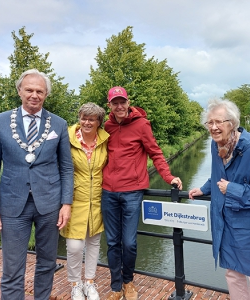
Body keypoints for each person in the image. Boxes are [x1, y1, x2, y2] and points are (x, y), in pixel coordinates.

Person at [0, 69, 74, 300]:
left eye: (40, 91)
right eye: (29, 90)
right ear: (20, 91)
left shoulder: (59, 124)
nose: (34, 95)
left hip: (50, 204)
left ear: (46, 95)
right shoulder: (0, 122)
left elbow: (66, 167)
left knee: (46, 264)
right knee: (12, 269)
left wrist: (66, 203)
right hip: (12, 204)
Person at [101, 86, 183, 300]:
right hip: (108, 191)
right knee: (112, 242)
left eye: (122, 102)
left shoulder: (141, 125)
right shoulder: (106, 126)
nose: (119, 106)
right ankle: (115, 286)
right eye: (114, 102)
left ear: (128, 103)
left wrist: (169, 177)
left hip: (131, 191)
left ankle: (128, 282)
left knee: (129, 242)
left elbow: (155, 153)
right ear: (109, 105)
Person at [189, 99, 250, 300]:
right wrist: (204, 188)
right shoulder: (215, 144)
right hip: (224, 223)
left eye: (219, 122)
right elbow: (218, 175)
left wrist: (231, 189)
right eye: (210, 123)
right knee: (232, 274)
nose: (214, 127)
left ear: (233, 123)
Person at [60, 103, 109, 300]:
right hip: (73, 198)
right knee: (74, 246)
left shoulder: (105, 140)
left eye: (92, 119)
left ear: (99, 122)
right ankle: (75, 283)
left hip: (97, 198)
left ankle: (89, 282)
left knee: (94, 242)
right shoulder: (67, 138)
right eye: (83, 118)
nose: (87, 122)